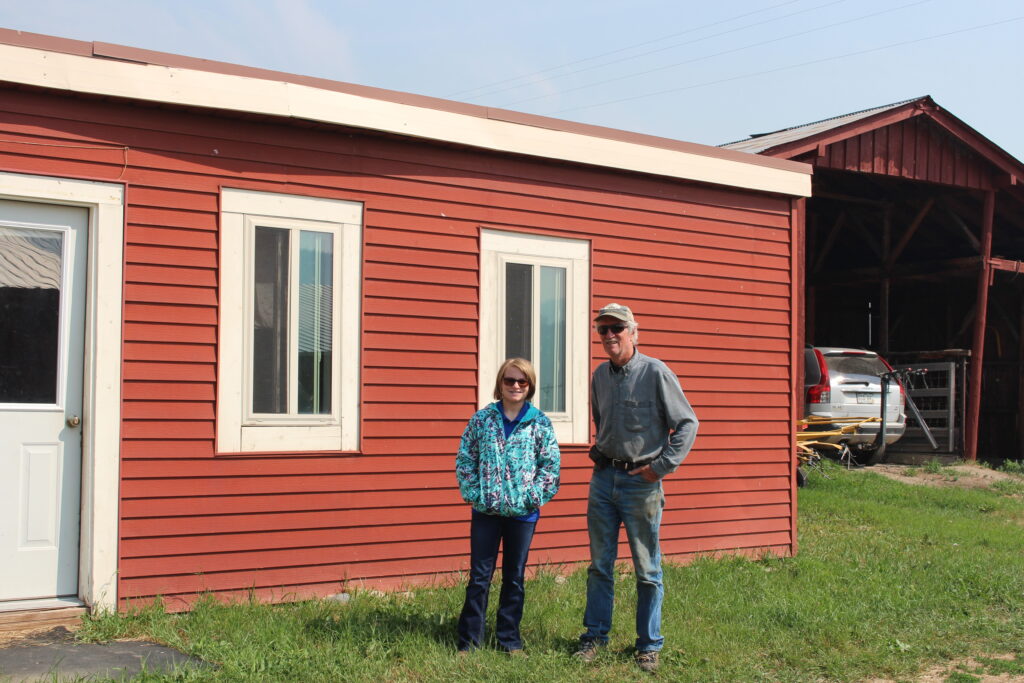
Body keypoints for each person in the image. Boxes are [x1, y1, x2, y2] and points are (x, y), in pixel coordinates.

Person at [575, 303, 699, 673]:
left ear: (634, 332)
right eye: (603, 329)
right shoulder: (600, 375)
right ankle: (594, 638)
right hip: (603, 481)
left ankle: (648, 646)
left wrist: (659, 468)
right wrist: (601, 450)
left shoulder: (656, 372)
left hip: (640, 486)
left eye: (617, 328)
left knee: (647, 569)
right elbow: (604, 420)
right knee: (599, 566)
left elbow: (687, 424)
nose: (610, 335)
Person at [455, 357, 561, 655]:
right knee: (479, 578)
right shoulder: (482, 420)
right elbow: (465, 459)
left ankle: (509, 640)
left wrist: (530, 499)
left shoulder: (539, 423)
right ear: (500, 384)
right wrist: (476, 495)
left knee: (514, 578)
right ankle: (470, 642)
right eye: (509, 380)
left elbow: (550, 467)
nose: (515, 386)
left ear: (530, 387)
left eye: (522, 381)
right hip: (486, 513)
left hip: (523, 516)